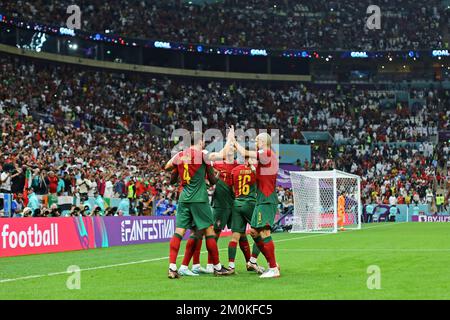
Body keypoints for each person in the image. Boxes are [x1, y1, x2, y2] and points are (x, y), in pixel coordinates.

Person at [164, 131, 231, 279]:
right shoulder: (203, 156)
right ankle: (218, 267)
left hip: (184, 198)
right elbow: (213, 181)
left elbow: (168, 168)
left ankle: (172, 267)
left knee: (179, 232)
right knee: (209, 232)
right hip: (199, 198)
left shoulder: (180, 155)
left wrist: (178, 168)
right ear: (200, 141)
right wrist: (217, 176)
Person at [234, 131, 281, 278]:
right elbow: (261, 175)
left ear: (263, 141)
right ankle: (270, 264)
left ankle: (273, 268)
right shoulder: (266, 157)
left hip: (266, 199)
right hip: (261, 199)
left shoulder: (266, 151)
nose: (255, 142)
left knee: (264, 232)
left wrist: (233, 142)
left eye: (257, 140)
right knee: (254, 232)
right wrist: (253, 168)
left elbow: (245, 152)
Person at [229, 156, 264, 274]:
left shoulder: (235, 170)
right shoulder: (256, 170)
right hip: (250, 203)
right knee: (261, 232)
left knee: (235, 236)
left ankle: (231, 266)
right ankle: (252, 261)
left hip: (237, 203)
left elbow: (233, 188)